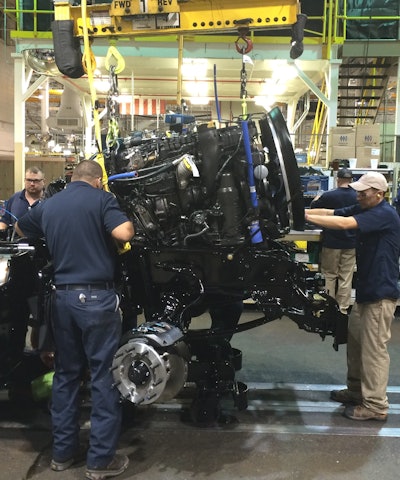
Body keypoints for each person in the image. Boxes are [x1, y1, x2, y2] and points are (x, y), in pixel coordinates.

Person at [15, 160, 134, 479]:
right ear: (97, 181)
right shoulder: (102, 199)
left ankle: (62, 454)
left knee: (66, 375)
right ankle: (99, 461)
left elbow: (20, 228)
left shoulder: (50, 204)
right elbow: (123, 232)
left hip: (62, 299)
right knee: (103, 376)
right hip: (96, 299)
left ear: (73, 179)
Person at [305, 171, 400, 421]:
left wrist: (305, 216)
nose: (359, 195)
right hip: (366, 291)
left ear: (379, 194)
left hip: (381, 295)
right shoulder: (365, 207)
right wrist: (302, 214)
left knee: (373, 350)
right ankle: (357, 390)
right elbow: (333, 214)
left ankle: (376, 405)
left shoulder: (384, 214)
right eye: (358, 191)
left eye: (364, 192)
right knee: (356, 343)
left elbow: (345, 224)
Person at [310, 168, 357, 314]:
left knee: (329, 275)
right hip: (351, 243)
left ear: (338, 179)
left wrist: (317, 199)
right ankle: (342, 309)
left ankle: (328, 308)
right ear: (351, 180)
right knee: (346, 277)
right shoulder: (358, 197)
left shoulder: (329, 196)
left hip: (332, 242)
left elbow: (313, 208)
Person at [0, 166, 45, 234]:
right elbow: (5, 220)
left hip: (43, 242)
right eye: (29, 180)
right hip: (17, 242)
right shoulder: (15, 198)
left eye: (36, 181)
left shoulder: (50, 200)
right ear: (24, 180)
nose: (32, 184)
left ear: (43, 181)